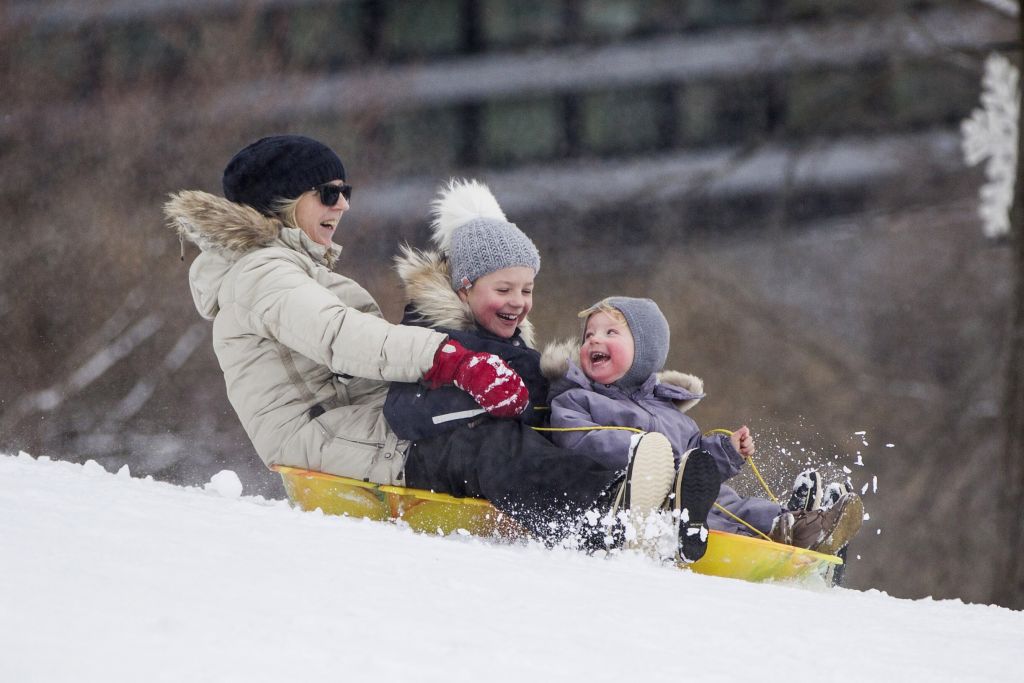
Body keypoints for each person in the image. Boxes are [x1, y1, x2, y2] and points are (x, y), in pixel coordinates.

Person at [162, 135, 683, 553]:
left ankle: (658, 481)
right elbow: (341, 338)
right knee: (481, 443)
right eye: (327, 192)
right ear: (282, 200)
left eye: (346, 192)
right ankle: (603, 515)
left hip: (361, 421)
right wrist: (450, 360)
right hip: (328, 437)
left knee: (530, 399)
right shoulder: (263, 275)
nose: (342, 204)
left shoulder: (299, 272)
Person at [383, 178, 720, 560]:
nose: (518, 302)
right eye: (504, 290)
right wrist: (484, 396)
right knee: (498, 444)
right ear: (464, 289)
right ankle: (598, 517)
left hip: (486, 468)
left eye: (526, 291)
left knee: (571, 426)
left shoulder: (512, 345)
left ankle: (707, 511)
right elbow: (404, 410)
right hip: (422, 459)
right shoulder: (428, 337)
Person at [545, 296, 865, 556]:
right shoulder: (577, 398)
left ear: (644, 351)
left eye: (609, 333)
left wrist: (726, 452)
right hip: (644, 500)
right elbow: (576, 440)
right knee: (716, 514)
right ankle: (795, 531)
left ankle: (796, 520)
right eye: (589, 335)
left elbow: (697, 459)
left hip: (691, 493)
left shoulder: (671, 412)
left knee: (732, 503)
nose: (593, 340)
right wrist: (643, 454)